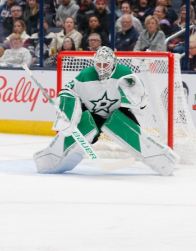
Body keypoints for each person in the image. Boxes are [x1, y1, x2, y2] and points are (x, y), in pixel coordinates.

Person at [34, 46, 180, 176]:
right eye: (99, 64)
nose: (102, 68)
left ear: (113, 63)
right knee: (77, 136)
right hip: (93, 115)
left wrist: (138, 99)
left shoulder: (124, 73)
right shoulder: (85, 75)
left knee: (136, 136)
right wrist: (66, 109)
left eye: (106, 64)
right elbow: (67, 91)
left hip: (118, 112)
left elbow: (139, 103)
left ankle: (164, 161)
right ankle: (48, 162)